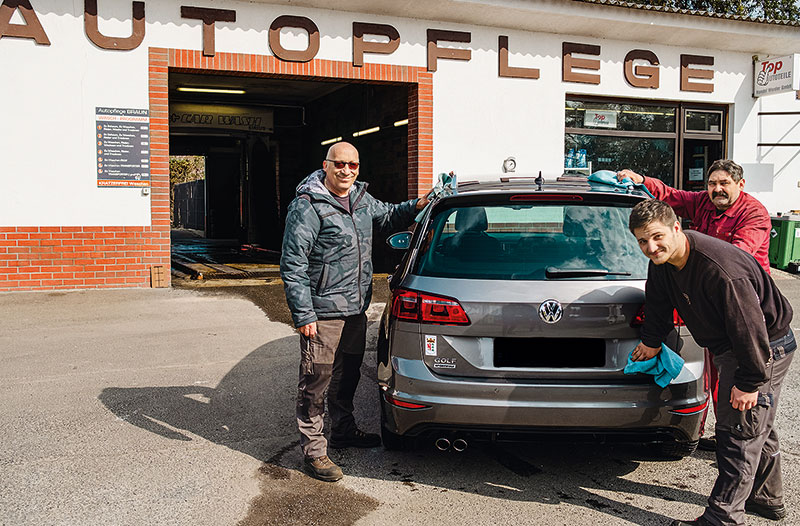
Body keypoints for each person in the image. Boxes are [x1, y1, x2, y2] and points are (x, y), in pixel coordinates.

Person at [628, 200, 794, 526]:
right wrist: (651, 341)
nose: (651, 247)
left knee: (738, 434)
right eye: (642, 241)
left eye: (657, 237)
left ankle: (722, 519)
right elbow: (659, 302)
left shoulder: (721, 270)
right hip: (734, 346)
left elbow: (751, 332)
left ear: (677, 228)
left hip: (762, 348)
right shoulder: (662, 262)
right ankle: (768, 499)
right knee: (757, 424)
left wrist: (748, 383)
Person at [280, 141, 428, 482]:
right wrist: (304, 315)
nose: (347, 170)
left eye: (353, 165)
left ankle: (344, 431)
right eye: (340, 164)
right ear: (326, 165)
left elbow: (389, 215)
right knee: (316, 381)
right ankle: (314, 451)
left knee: (347, 376)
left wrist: (420, 203)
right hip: (323, 311)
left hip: (355, 309)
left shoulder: (361, 200)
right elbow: (293, 264)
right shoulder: (308, 206)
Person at [618, 160, 771, 451]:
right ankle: (733, 432)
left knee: (744, 377)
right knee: (717, 372)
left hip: (745, 307)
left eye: (724, 183)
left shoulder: (754, 214)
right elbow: (671, 195)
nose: (717, 189)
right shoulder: (702, 203)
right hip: (706, 303)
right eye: (712, 183)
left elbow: (736, 258)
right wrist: (641, 178)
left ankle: (738, 438)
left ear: (740, 185)